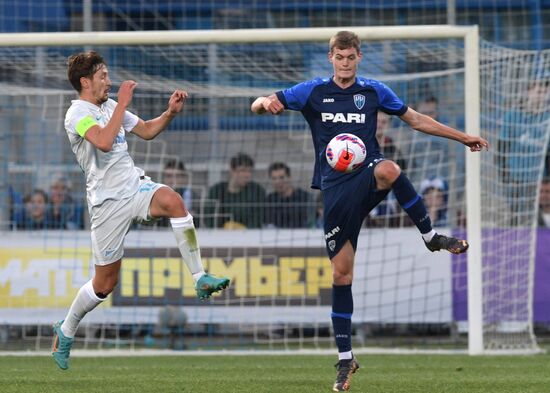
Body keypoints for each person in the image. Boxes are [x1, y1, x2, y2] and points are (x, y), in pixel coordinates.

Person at [251, 31, 489, 391]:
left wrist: (463, 136)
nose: (345, 63)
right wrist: (262, 103)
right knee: (341, 276)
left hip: (367, 172)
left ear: (359, 57)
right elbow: (262, 102)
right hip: (335, 189)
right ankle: (346, 359)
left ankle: (431, 236)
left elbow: (416, 119)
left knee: (390, 168)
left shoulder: (373, 91)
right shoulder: (312, 91)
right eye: (339, 57)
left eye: (350, 57)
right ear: (330, 56)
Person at [51, 51, 229, 370]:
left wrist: (170, 113)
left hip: (134, 187)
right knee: (105, 284)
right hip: (106, 204)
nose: (109, 80)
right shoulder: (77, 113)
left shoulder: (109, 106)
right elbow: (104, 141)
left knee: (174, 201)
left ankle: (200, 277)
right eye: (103, 76)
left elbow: (146, 129)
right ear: (85, 81)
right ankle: (65, 331)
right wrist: (121, 102)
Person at [204, 152, 266, 228]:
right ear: (232, 170)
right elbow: (208, 216)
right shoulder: (217, 190)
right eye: (243, 170)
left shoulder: (257, 191)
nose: (247, 175)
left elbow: (258, 219)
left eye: (250, 171)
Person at [265, 162, 312, 228]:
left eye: (281, 177)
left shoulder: (305, 197)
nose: (277, 182)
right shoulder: (269, 200)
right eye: (274, 178)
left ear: (289, 177)